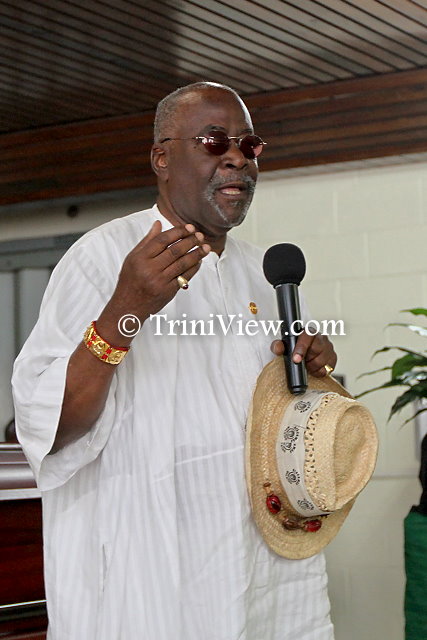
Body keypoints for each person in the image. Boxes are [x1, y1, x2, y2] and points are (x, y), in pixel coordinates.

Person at [12, 82, 337, 640]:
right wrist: (127, 308)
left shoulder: (264, 272)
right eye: (213, 141)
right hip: (152, 578)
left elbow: (285, 426)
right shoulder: (103, 257)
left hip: (265, 577)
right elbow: (48, 427)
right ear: (161, 158)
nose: (236, 158)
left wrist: (316, 371)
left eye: (248, 144)